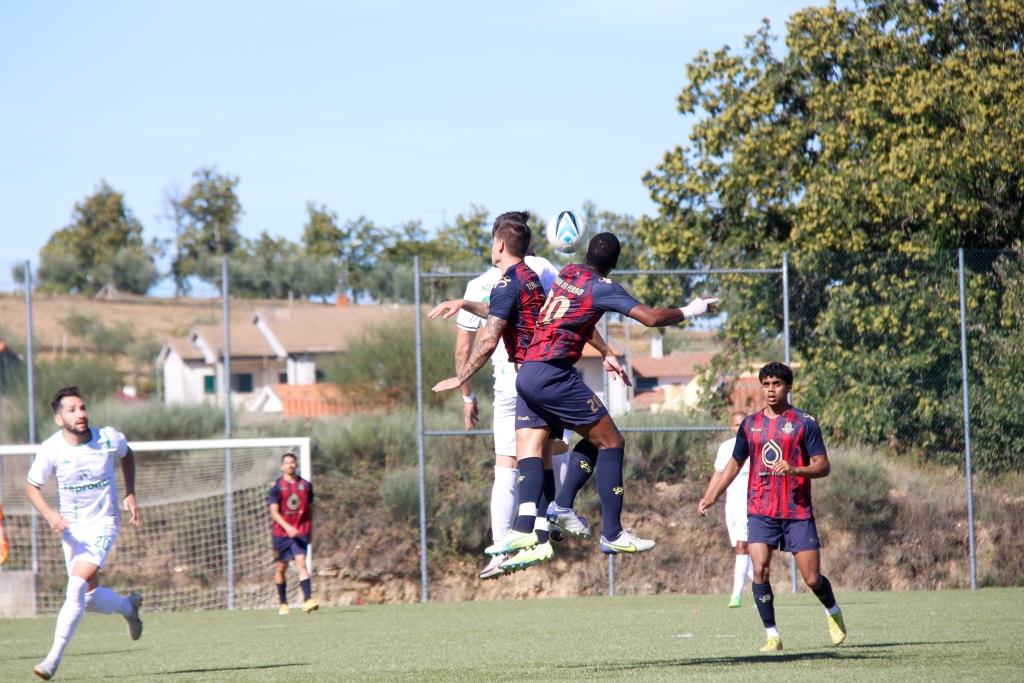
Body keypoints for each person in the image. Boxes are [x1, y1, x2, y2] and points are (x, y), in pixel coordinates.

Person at [497, 231, 719, 558]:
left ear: (587, 253)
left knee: (579, 440)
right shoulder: (603, 287)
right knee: (613, 442)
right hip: (554, 373)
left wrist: (605, 351)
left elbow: (578, 319)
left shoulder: (568, 273)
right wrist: (692, 309)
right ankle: (611, 532)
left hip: (527, 370)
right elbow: (650, 318)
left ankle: (541, 519)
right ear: (614, 264)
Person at [698, 362, 847, 652]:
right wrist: (712, 495)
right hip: (760, 508)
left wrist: (795, 469)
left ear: (788, 387)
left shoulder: (805, 422)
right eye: (765, 384)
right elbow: (734, 463)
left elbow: (823, 466)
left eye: (776, 384)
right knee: (760, 569)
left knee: (812, 578)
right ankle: (772, 635)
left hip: (796, 509)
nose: (770, 389)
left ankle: (833, 611)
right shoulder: (750, 425)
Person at [447, 211, 563, 579]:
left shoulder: (478, 283)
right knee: (549, 452)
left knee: (506, 466)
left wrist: (466, 394)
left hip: (507, 378)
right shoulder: (542, 268)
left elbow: (464, 349)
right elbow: (566, 309)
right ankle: (548, 524)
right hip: (547, 371)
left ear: (499, 242)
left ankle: (501, 551)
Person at [26, 386, 143, 681]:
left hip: (104, 522)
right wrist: (51, 514)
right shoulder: (51, 448)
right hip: (72, 530)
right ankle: (128, 607)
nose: (81, 414)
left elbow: (127, 455)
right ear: (58, 419)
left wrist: (130, 493)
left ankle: (52, 659)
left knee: (76, 586)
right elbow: (32, 487)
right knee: (88, 597)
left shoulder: (107, 438)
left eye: (83, 407)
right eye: (72, 410)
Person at [700, 411, 753, 607]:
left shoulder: (756, 446)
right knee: (742, 550)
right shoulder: (726, 448)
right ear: (732, 428)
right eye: (736, 425)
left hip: (752, 504)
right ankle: (762, 588)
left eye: (743, 424)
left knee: (743, 546)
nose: (739, 428)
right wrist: (707, 498)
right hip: (733, 505)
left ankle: (736, 595)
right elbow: (718, 475)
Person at [268, 452, 317, 615]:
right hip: (281, 534)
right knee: (281, 567)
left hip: (300, 531)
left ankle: (308, 600)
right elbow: (274, 512)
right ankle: (283, 603)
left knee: (301, 563)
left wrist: (310, 530)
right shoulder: (276, 487)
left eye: (293, 463)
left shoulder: (306, 485)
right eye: (287, 463)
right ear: (282, 466)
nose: (290, 465)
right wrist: (287, 527)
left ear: (296, 465)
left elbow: (310, 509)